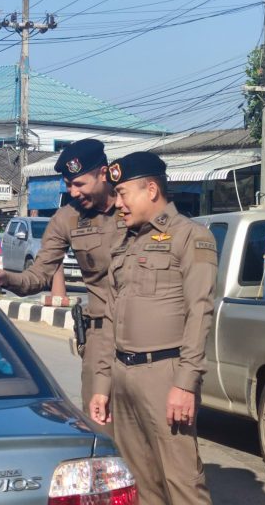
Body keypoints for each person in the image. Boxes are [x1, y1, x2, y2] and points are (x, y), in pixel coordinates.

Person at [88, 151, 217, 504]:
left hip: (165, 376)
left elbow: (199, 312)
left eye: (123, 194)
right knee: (139, 485)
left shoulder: (190, 236)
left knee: (182, 484)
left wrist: (185, 384)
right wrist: (102, 384)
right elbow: (111, 317)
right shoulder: (126, 242)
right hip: (123, 375)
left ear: (151, 190)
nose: (118, 204)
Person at [0, 138, 125, 419]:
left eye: (79, 184)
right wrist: (5, 277)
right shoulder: (67, 219)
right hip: (100, 337)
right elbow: (38, 275)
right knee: (101, 427)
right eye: (69, 185)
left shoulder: (133, 205)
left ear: (103, 173)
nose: (73, 192)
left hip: (147, 336)